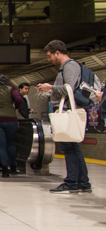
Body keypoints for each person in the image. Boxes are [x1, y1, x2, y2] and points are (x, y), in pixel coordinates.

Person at [37, 40, 92, 193]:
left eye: (50, 56)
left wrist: (51, 87)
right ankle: (82, 182)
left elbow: (69, 88)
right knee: (73, 147)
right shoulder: (68, 67)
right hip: (67, 109)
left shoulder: (69, 66)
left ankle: (72, 182)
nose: (49, 59)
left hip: (67, 111)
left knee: (69, 148)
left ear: (57, 53)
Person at [0, 74, 23, 177]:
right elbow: (19, 99)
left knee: (1, 145)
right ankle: (13, 167)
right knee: (10, 144)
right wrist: (16, 108)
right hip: (10, 119)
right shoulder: (10, 88)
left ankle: (4, 169)